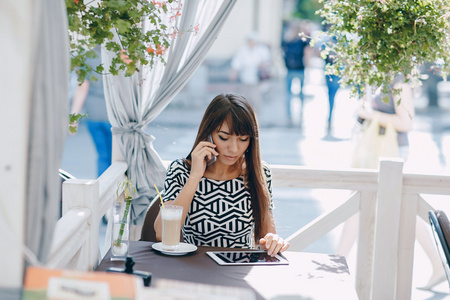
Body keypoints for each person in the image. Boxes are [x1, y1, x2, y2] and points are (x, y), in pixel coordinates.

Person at [339, 75, 445, 289]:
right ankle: (437, 264)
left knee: (359, 201)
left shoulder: (399, 81)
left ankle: (336, 263)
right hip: (377, 149)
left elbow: (406, 123)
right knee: (398, 206)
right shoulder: (378, 76)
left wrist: (371, 114)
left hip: (392, 151)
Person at [153, 93, 289, 256]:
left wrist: (273, 241)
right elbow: (162, 233)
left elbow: (267, 235)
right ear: (208, 133)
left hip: (239, 269)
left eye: (243, 139)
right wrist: (195, 176)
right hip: (194, 267)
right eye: (224, 138)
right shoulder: (181, 170)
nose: (233, 149)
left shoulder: (260, 172)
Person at [70, 47, 112, 178]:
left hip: (92, 113)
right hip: (113, 114)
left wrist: (74, 118)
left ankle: (101, 189)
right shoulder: (119, 55)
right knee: (116, 158)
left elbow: (82, 88)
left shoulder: (87, 56)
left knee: (102, 155)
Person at [229, 32, 271, 115]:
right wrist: (234, 73)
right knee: (245, 99)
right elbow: (237, 62)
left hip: (256, 80)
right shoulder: (243, 50)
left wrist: (262, 65)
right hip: (245, 79)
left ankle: (256, 117)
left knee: (256, 100)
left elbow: (268, 62)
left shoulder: (261, 50)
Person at [281, 20, 312, 126]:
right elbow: (307, 55)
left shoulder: (287, 41)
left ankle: (289, 117)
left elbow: (282, 54)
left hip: (289, 70)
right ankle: (301, 114)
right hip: (300, 69)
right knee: (301, 93)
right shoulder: (303, 42)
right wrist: (308, 68)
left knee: (288, 94)